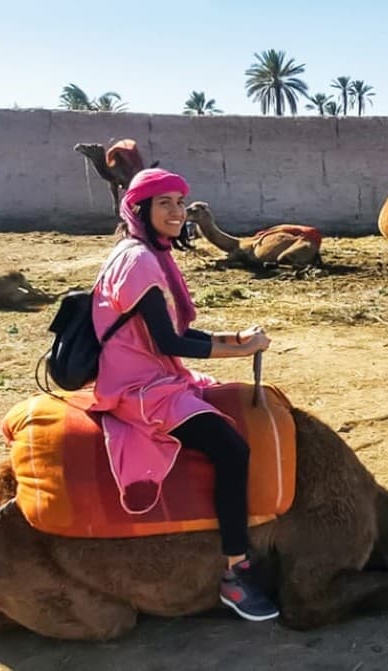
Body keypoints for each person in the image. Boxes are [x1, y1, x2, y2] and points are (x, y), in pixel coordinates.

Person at [91, 168, 279, 621]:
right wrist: (240, 352)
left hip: (157, 373)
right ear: (141, 211)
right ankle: (235, 572)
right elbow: (169, 343)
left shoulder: (149, 255)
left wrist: (235, 337)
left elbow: (176, 331)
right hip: (140, 387)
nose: (176, 212)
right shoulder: (138, 262)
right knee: (231, 449)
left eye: (179, 202)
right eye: (165, 204)